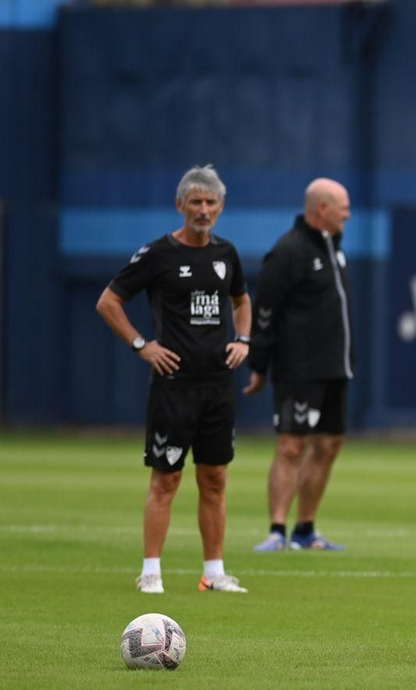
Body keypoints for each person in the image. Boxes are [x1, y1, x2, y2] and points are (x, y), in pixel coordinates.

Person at [94, 164, 251, 594]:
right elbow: (108, 302)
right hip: (174, 384)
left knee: (215, 479)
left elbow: (242, 300)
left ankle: (213, 573)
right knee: (166, 478)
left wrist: (243, 340)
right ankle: (151, 572)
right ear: (180, 205)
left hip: (217, 385)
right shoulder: (158, 254)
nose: (203, 209)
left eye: (211, 202)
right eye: (196, 202)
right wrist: (142, 345)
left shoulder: (227, 254)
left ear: (221, 207)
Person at [244, 178, 356, 552]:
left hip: (335, 368)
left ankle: (305, 530)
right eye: (343, 207)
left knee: (329, 444)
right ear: (322, 209)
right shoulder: (288, 251)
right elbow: (265, 311)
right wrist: (259, 365)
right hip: (299, 369)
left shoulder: (335, 249)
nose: (348, 215)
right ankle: (277, 530)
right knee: (292, 446)